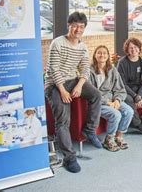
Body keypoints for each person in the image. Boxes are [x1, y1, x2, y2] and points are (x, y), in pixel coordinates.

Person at [44, 12, 102, 173]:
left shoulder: (82, 47)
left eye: (81, 26)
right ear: (69, 25)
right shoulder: (58, 43)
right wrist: (62, 90)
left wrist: (79, 85)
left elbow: (85, 69)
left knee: (96, 95)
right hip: (54, 84)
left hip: (74, 80)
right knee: (63, 120)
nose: (78, 29)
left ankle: (89, 130)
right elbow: (53, 69)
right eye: (75, 25)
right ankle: (69, 158)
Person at [89, 45, 135, 151]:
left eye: (104, 53)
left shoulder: (112, 70)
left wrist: (117, 100)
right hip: (97, 103)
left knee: (129, 111)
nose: (102, 55)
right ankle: (109, 139)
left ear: (108, 56)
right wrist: (107, 102)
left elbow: (120, 88)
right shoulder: (89, 71)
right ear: (95, 55)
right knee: (116, 114)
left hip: (112, 100)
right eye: (99, 53)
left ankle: (118, 137)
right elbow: (90, 93)